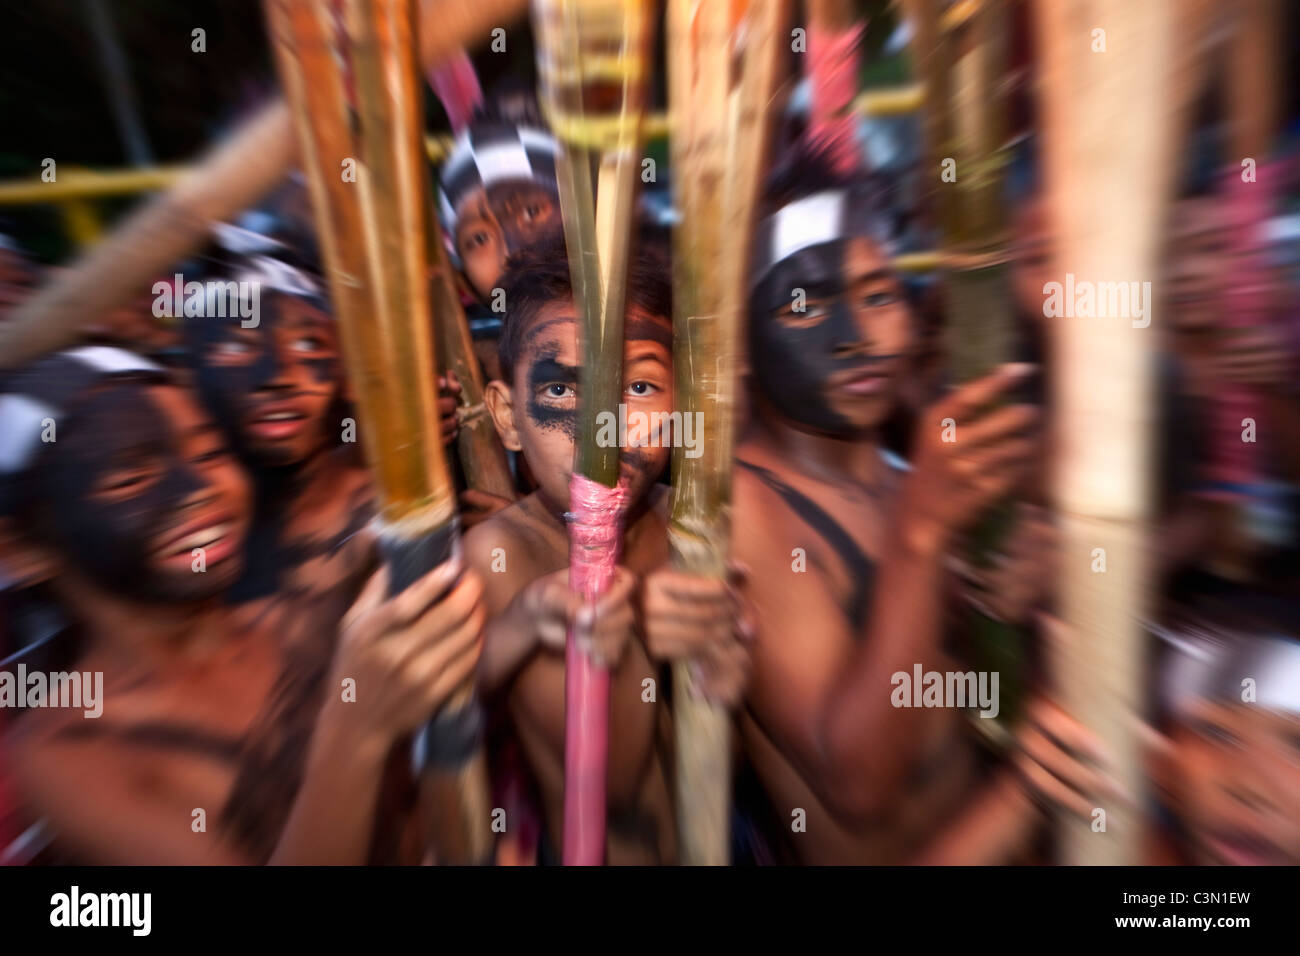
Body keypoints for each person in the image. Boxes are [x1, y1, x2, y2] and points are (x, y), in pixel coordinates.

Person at [728, 151, 1117, 863]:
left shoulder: (909, 473)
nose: (856, 336)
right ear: (738, 347)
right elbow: (859, 783)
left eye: (878, 296)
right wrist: (922, 534)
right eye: (806, 305)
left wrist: (1012, 607)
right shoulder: (744, 513)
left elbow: (976, 714)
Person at [0, 347, 485, 863]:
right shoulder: (72, 754)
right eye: (130, 479)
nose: (197, 489)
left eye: (209, 454)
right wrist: (357, 727)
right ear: (22, 550)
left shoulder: (306, 620)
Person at [462, 235, 750, 864]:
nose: (605, 427)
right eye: (563, 392)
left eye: (640, 389)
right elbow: (611, 784)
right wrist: (631, 627)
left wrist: (730, 673)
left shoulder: (696, 526)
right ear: (507, 416)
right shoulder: (501, 557)